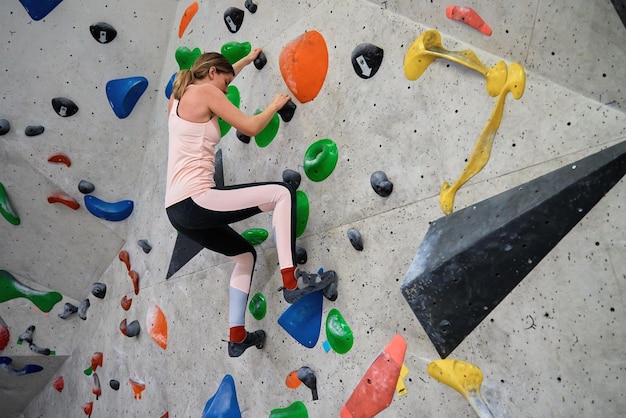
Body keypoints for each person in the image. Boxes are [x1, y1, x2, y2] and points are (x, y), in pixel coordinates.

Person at [164, 49, 331, 357]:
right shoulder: (205, 92)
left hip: (176, 210)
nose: (227, 91)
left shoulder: (177, 96)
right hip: (197, 198)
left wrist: (245, 60)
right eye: (226, 83)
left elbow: (219, 78)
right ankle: (290, 280)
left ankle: (237, 336)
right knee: (281, 194)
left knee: (244, 256)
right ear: (212, 74)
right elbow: (251, 128)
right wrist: (274, 105)